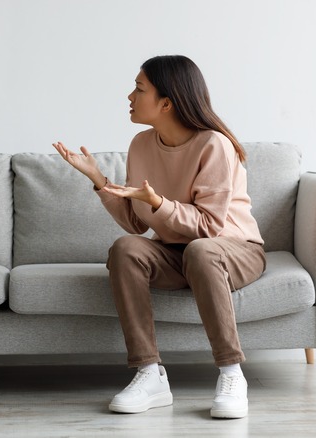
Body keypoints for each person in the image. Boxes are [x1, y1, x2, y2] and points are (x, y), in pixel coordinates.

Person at [53, 55, 265, 419]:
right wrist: (100, 181)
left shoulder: (214, 145)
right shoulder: (140, 145)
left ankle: (232, 373)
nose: (130, 96)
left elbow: (210, 227)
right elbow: (137, 225)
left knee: (201, 250)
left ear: (166, 102)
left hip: (234, 250)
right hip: (178, 253)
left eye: (139, 88)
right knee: (126, 249)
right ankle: (149, 373)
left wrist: (159, 202)